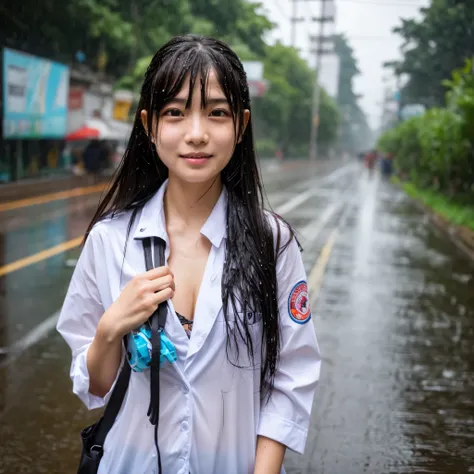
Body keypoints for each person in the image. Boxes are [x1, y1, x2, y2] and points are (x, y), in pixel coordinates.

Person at [57, 35, 321, 474]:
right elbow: (95, 388)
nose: (196, 134)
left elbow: (292, 377)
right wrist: (109, 329)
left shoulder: (272, 242)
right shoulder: (108, 240)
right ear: (149, 124)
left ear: (240, 125)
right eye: (175, 113)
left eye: (216, 113)